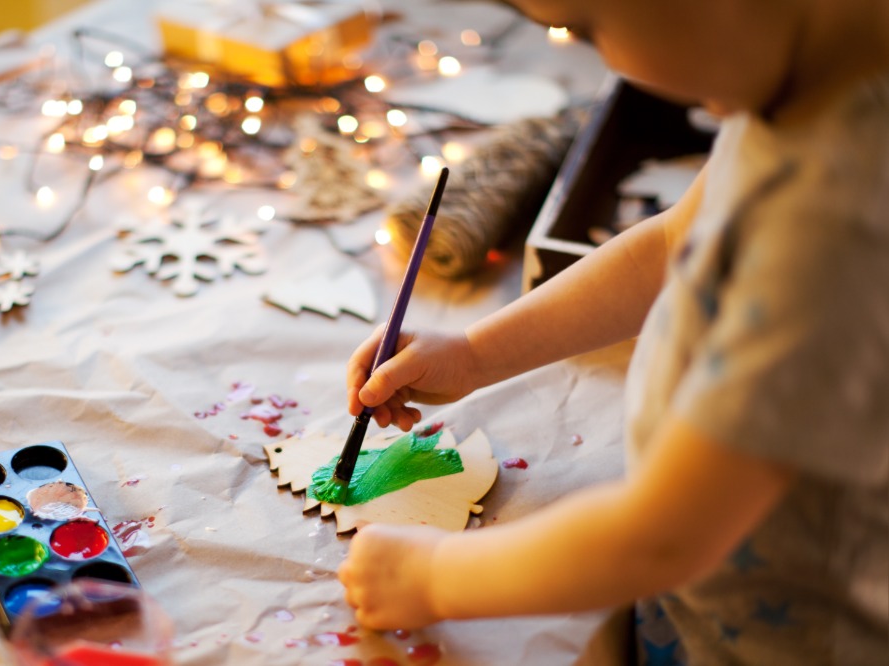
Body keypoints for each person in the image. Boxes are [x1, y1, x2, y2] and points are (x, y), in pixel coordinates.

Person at [337, 0, 889, 662]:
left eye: (586, 25)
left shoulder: (831, 226)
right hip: (698, 584)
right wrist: (475, 354)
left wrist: (432, 578)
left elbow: (664, 538)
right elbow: (671, 246)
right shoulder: (796, 93)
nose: (595, 56)